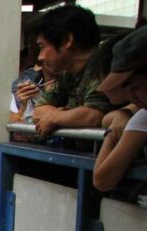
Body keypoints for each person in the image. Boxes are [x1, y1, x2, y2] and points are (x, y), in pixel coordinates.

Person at [32, 4, 117, 137]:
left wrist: (55, 117)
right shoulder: (67, 74)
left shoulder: (103, 67)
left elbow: (93, 116)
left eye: (42, 47)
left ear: (67, 40)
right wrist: (66, 116)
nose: (40, 57)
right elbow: (38, 110)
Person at [94, 25, 147, 193]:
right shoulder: (142, 116)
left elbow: (102, 179)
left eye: (134, 87)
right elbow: (101, 179)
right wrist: (113, 130)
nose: (132, 97)